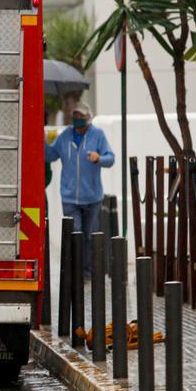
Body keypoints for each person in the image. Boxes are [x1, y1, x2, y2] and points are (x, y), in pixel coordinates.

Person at [44, 102, 116, 275]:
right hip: (70, 198)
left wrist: (99, 158)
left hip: (92, 198)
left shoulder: (98, 135)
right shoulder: (65, 136)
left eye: (81, 117)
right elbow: (51, 156)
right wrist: (43, 143)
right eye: (75, 116)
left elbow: (111, 158)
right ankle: (76, 271)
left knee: (90, 236)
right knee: (76, 234)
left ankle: (87, 271)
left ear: (88, 119)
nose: (77, 120)